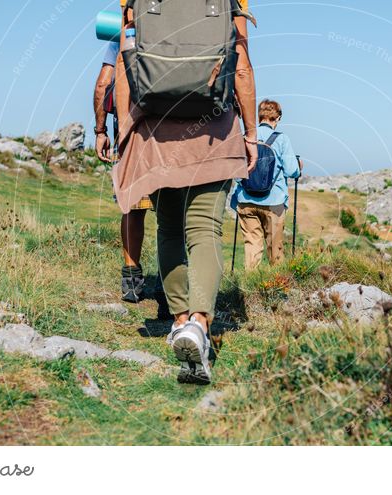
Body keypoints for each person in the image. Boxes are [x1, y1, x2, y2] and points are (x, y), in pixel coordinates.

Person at [112, 0, 257, 385]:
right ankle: (199, 323)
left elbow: (126, 59)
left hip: (156, 132)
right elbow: (240, 66)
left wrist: (125, 132)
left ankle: (178, 321)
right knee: (206, 229)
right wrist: (252, 134)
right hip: (213, 126)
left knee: (170, 229)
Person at [93, 33, 169, 318]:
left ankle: (131, 279)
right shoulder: (186, 23)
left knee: (133, 207)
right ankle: (168, 282)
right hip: (175, 133)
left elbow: (103, 84)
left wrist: (101, 131)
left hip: (132, 134)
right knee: (171, 212)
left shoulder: (126, 30)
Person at [231, 99, 302, 269]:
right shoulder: (282, 139)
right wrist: (299, 167)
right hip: (274, 202)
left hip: (246, 200)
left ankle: (249, 289)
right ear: (277, 118)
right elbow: (292, 171)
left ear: (259, 116)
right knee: (275, 249)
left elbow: (235, 169)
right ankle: (276, 288)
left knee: (252, 246)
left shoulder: (246, 137)